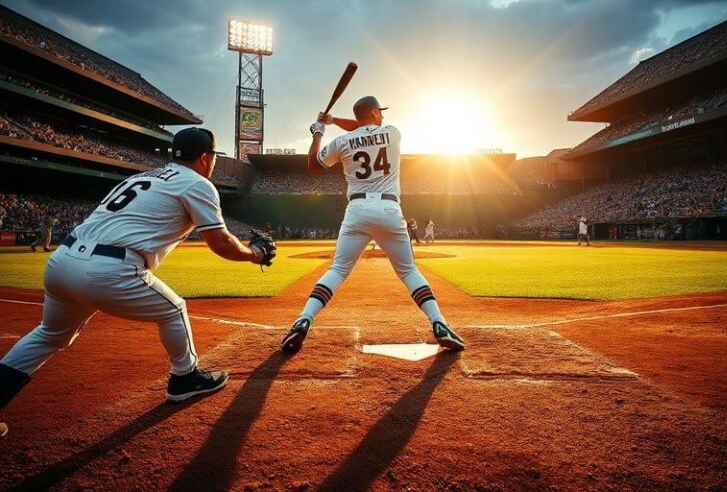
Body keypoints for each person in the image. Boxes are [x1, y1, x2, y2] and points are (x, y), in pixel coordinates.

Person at [0, 128, 271, 438]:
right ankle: (185, 378)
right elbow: (221, 243)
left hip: (61, 262)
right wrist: (255, 254)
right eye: (214, 158)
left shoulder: (144, 177)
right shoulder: (198, 183)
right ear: (206, 157)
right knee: (174, 309)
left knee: (48, 335)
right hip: (107, 270)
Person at [280, 96, 464, 354]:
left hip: (357, 210)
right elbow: (362, 130)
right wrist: (334, 121)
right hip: (389, 209)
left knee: (338, 270)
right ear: (375, 113)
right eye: (381, 112)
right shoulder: (393, 133)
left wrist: (320, 131)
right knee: (409, 272)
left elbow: (313, 164)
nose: (384, 117)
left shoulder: (342, 141)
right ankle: (439, 323)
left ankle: (303, 320)